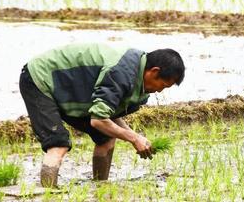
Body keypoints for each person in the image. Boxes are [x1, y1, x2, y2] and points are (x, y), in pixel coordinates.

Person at [19, 43, 185, 187]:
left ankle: (100, 187)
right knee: (58, 143)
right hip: (40, 79)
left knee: (106, 137)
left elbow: (107, 115)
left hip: (70, 89)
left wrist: (136, 136)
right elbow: (99, 120)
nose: (159, 91)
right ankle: (49, 198)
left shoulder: (137, 79)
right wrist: (134, 138)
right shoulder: (122, 73)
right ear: (153, 71)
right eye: (162, 85)